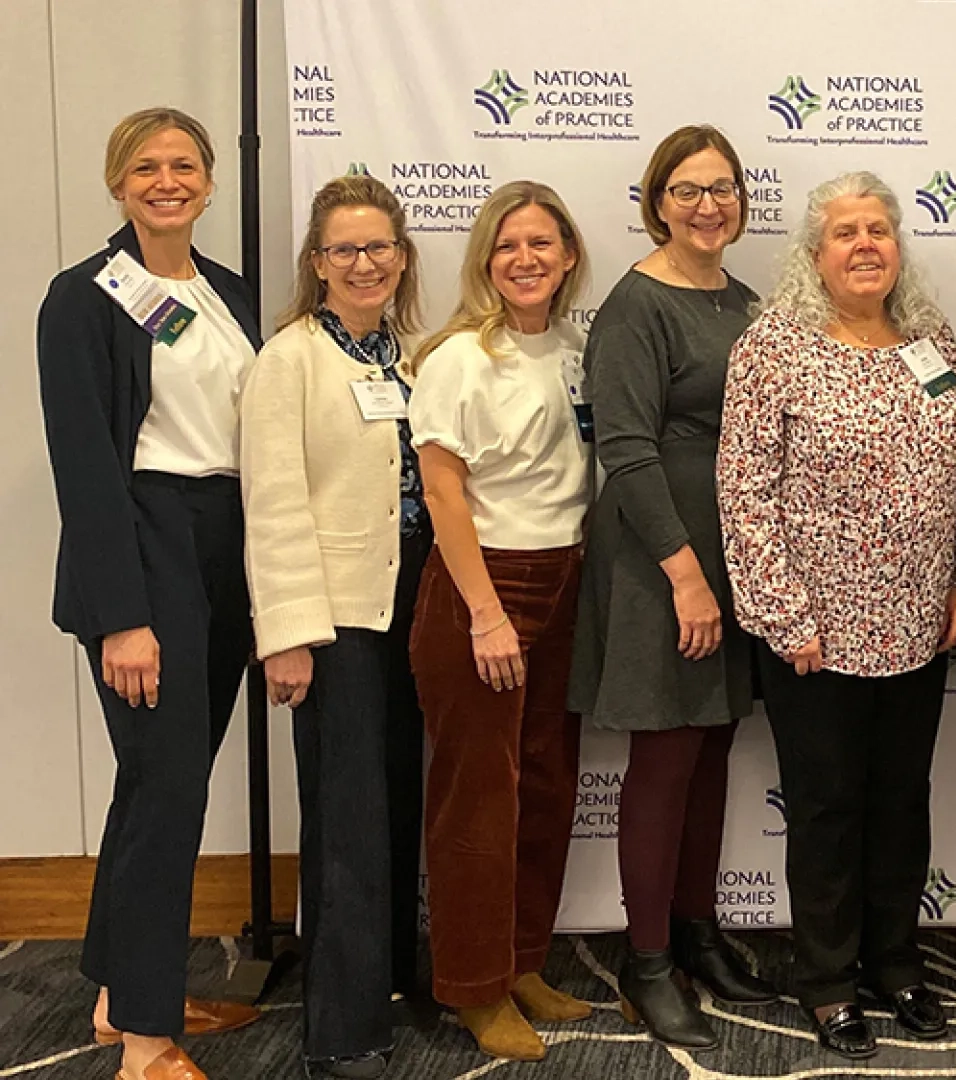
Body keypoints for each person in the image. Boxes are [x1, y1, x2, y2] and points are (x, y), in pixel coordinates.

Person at [717, 171, 956, 1060]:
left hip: (917, 621)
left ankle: (895, 963)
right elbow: (742, 491)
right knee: (826, 810)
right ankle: (829, 981)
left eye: (879, 229)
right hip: (815, 629)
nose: (865, 245)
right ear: (814, 255)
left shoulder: (931, 340)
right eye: (844, 233)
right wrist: (783, 613)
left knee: (902, 802)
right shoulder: (774, 348)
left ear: (899, 246)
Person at [36, 107, 263, 1080]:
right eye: (144, 166)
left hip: (226, 546)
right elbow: (85, 467)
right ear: (115, 183)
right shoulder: (82, 298)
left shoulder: (229, 294)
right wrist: (123, 616)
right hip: (142, 545)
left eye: (183, 165)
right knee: (168, 791)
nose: (165, 179)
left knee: (158, 787)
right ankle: (145, 1040)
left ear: (209, 183)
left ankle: (115, 992)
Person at [569, 125, 774, 1048]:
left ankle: (696, 932)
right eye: (687, 190)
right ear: (657, 203)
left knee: (713, 746)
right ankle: (645, 961)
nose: (707, 205)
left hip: (736, 553)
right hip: (663, 562)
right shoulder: (634, 307)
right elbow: (626, 450)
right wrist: (687, 577)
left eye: (723, 188)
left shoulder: (744, 300)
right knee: (661, 759)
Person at [239, 174, 429, 1078]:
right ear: (318, 265)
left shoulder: (413, 356)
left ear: (402, 257)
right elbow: (272, 505)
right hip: (337, 621)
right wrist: (286, 633)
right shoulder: (290, 361)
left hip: (414, 608)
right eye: (344, 250)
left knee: (399, 801)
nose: (364, 264)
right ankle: (343, 1025)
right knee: (345, 820)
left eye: (379, 247)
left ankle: (394, 975)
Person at [406, 181, 594, 1061]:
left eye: (542, 245)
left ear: (567, 258)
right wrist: (484, 615)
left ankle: (522, 963)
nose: (525, 260)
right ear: (486, 260)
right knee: (477, 801)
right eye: (508, 245)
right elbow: (442, 489)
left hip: (567, 581)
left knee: (547, 786)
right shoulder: (455, 358)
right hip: (484, 587)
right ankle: (473, 990)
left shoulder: (576, 347)